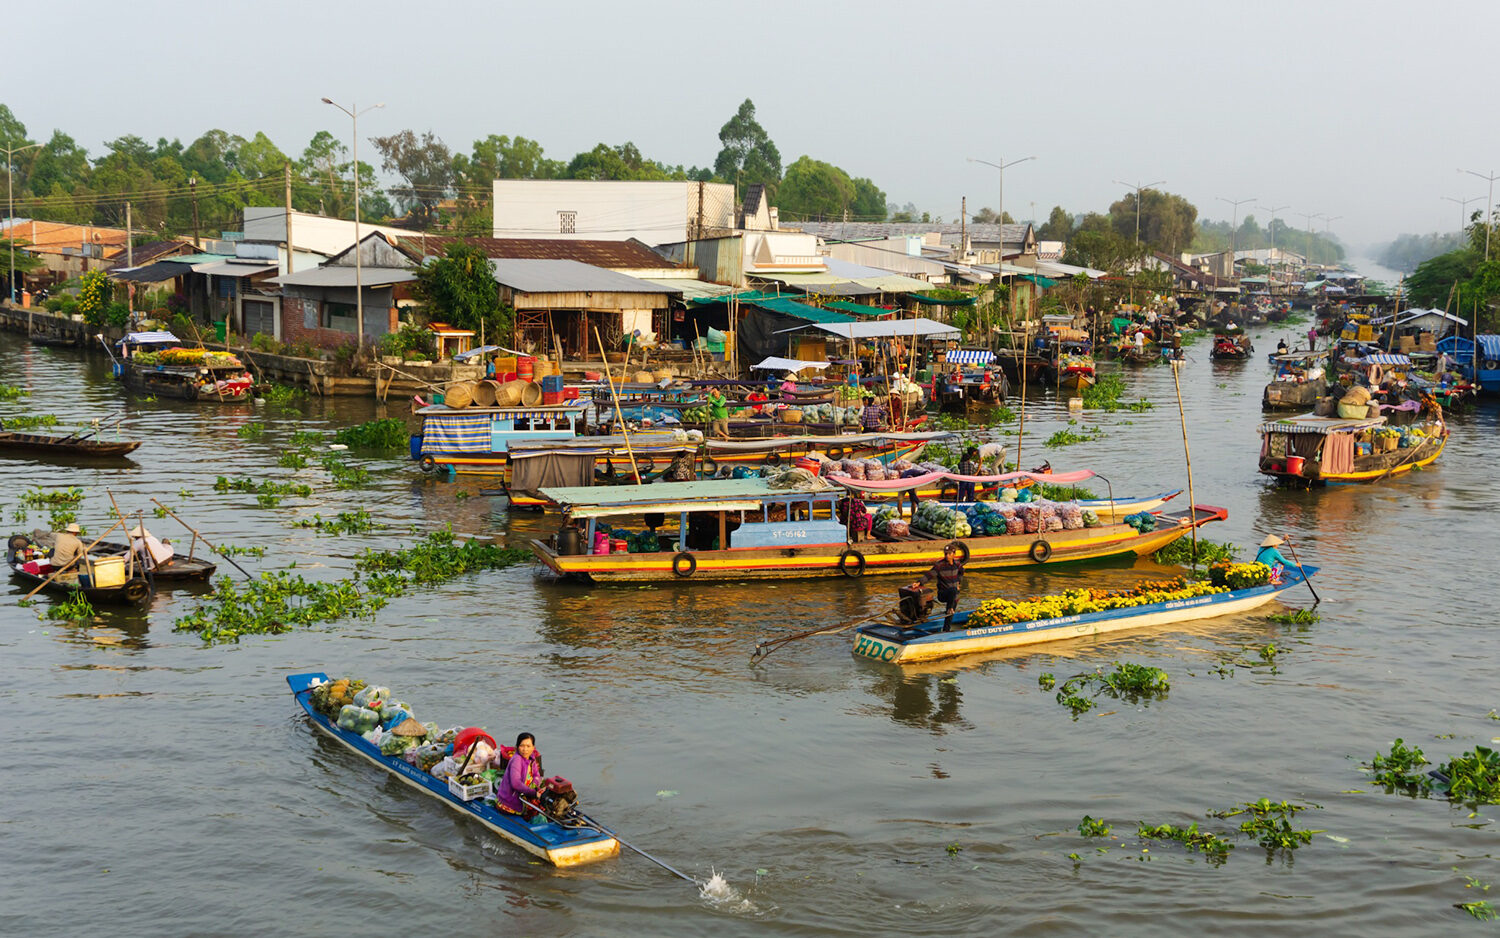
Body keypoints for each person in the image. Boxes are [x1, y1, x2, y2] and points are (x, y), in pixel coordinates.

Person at [913, 542, 966, 631]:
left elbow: (962, 571)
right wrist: (919, 582)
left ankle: (946, 630)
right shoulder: (939, 565)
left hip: (954, 595)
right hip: (943, 594)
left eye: (949, 554)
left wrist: (958, 582)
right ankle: (950, 609)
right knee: (952, 594)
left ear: (954, 554)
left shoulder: (957, 564)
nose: (947, 556)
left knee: (951, 609)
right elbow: (929, 574)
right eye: (945, 554)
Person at [496, 732, 544, 816]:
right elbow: (516, 784)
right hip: (510, 802)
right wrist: (533, 793)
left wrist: (534, 786)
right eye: (522, 746)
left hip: (524, 795)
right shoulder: (517, 760)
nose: (525, 749)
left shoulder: (531, 758)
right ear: (517, 747)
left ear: (533, 747)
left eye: (528, 746)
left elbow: (537, 775)